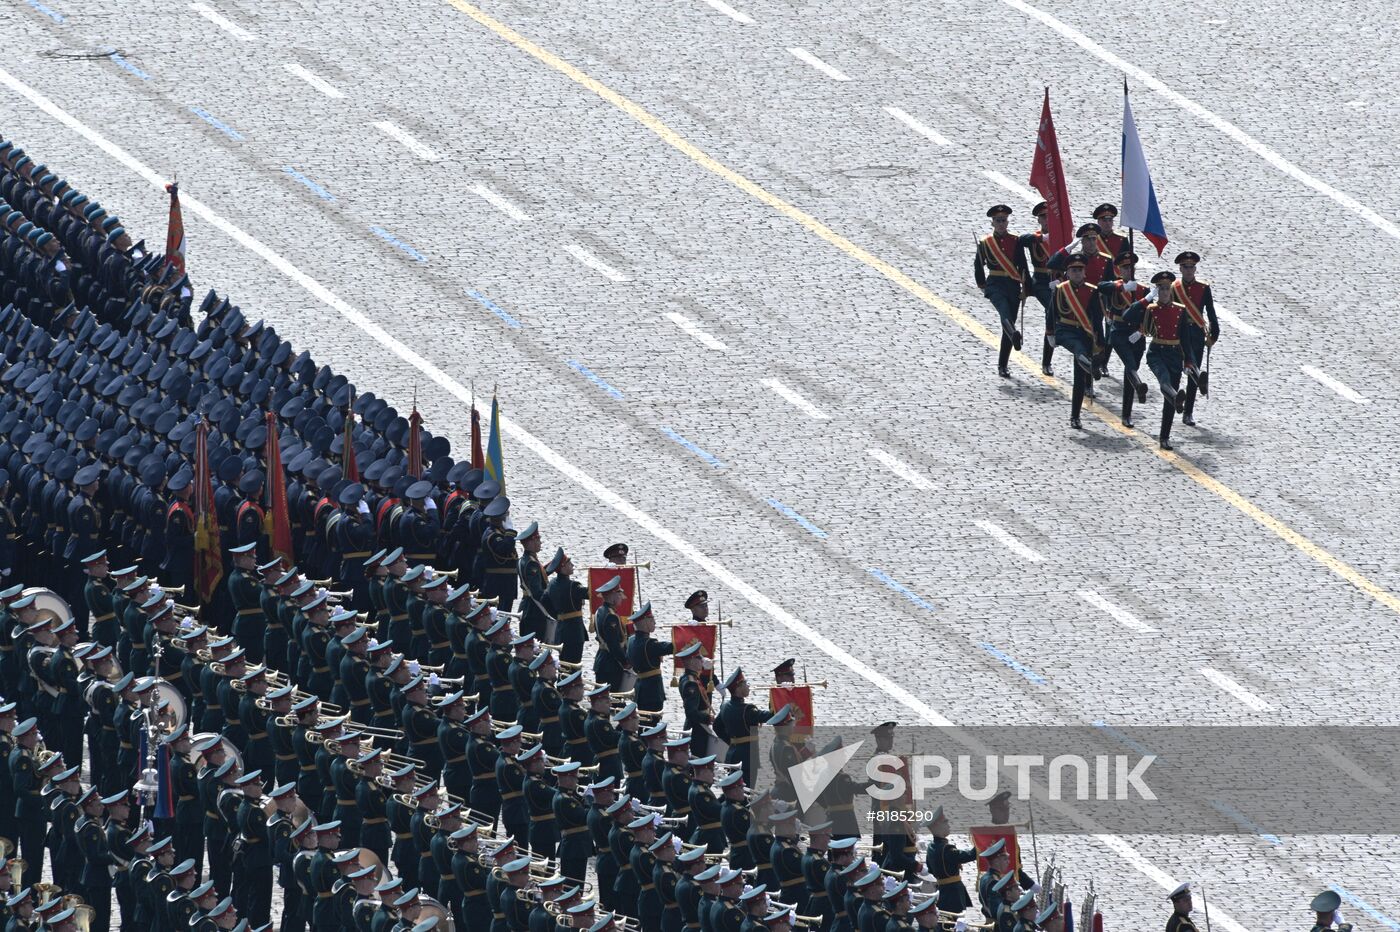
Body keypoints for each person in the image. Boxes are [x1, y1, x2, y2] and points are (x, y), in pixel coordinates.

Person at [1123, 272, 1190, 450]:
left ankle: (1164, 436)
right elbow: (1128, 316)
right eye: (1161, 289)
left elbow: (1186, 338)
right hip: (1157, 352)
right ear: (1157, 290)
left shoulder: (1180, 310)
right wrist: (1146, 299)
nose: (1165, 292)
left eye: (1167, 288)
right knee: (1164, 381)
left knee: (1170, 402)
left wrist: (1189, 362)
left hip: (1175, 354)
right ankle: (1176, 397)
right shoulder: (1150, 309)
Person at [1050, 255, 1105, 430]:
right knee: (1078, 349)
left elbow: (1097, 318)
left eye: (1080, 270)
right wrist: (1049, 333)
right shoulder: (1061, 289)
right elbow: (1051, 313)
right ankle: (1089, 365)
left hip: (1085, 333)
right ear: (1067, 272)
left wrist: (1101, 341)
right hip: (1066, 331)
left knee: (1079, 379)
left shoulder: (1092, 291)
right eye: (1074, 271)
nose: (1077, 274)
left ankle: (1075, 416)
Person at [974, 205, 1029, 378]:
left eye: (1003, 220)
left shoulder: (1016, 240)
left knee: (1009, 321)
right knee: (1004, 312)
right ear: (992, 222)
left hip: (1012, 284)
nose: (1001, 224)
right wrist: (982, 285)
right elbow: (978, 265)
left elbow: (1023, 265)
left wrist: (1025, 289)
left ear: (1007, 221)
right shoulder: (986, 242)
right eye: (997, 221)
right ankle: (1013, 334)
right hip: (995, 284)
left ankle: (1003, 364)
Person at [1171, 252, 1220, 427]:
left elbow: (1210, 311)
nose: (1189, 270)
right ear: (1180, 269)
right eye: (1185, 267)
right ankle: (1174, 399)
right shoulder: (1174, 288)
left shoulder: (1203, 288)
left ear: (1195, 268)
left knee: (1193, 369)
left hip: (1197, 334)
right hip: (1179, 333)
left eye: (1191, 267)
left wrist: (1214, 333)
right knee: (1177, 370)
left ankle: (1188, 412)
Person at [1020, 203, 1057, 375]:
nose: (1046, 220)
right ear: (1039, 220)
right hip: (1041, 281)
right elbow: (1021, 240)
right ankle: (1046, 362)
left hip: (1058, 281)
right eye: (1043, 217)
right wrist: (1042, 239)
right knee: (1051, 309)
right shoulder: (1035, 238)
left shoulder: (1060, 236)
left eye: (1048, 216)